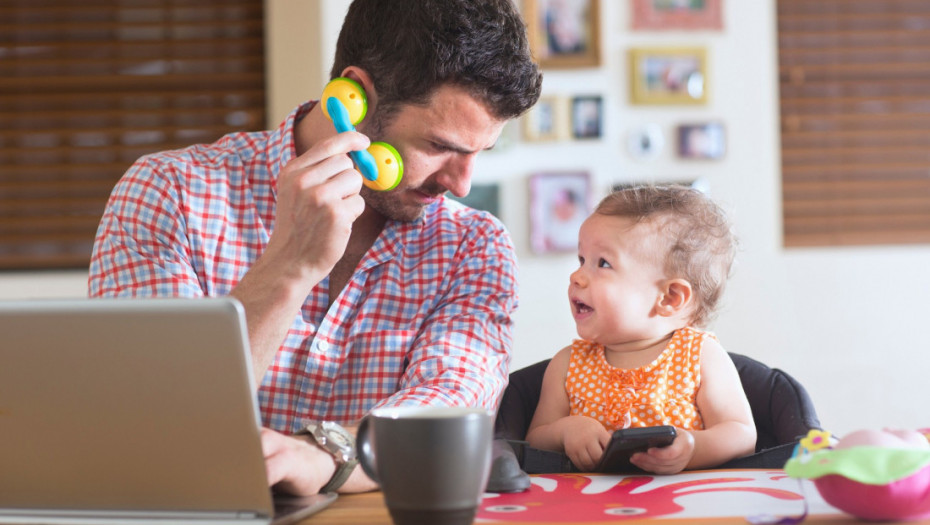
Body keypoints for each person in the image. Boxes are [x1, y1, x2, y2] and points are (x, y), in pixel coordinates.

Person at [88, 0, 541, 495]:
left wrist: (325, 454)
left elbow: (450, 418)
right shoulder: (167, 193)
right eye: (439, 146)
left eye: (478, 153)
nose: (461, 183)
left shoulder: (474, 246)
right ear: (354, 97)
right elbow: (152, 424)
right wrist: (290, 266)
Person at [525, 185, 756, 474]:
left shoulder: (700, 356)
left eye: (603, 263)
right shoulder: (568, 364)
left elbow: (741, 433)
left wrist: (693, 448)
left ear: (670, 298)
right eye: (582, 260)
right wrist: (566, 430)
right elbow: (534, 439)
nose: (576, 276)